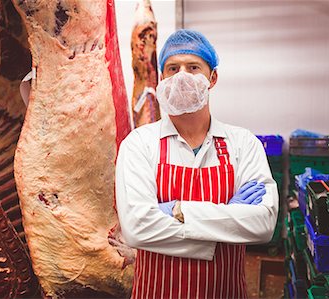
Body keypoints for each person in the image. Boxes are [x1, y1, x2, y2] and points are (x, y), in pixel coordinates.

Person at [115, 29, 278, 299]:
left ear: (212, 78)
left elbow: (262, 225)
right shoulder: (139, 144)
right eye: (172, 68)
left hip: (225, 292)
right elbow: (136, 229)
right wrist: (229, 215)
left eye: (193, 67)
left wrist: (178, 211)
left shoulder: (242, 143)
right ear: (162, 78)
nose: (181, 76)